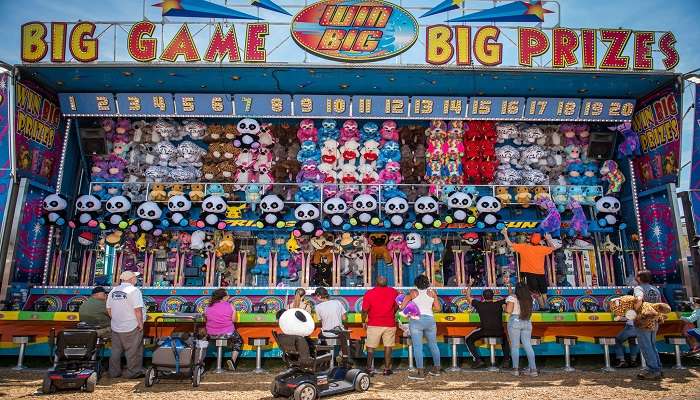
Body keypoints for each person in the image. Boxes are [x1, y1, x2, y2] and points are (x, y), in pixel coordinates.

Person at [501, 227, 555, 310]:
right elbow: (553, 248)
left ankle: (542, 307)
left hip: (530, 273)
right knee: (544, 292)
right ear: (539, 241)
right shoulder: (542, 248)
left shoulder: (524, 247)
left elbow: (510, 244)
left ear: (530, 240)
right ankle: (545, 306)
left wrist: (505, 234)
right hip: (541, 273)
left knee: (536, 292)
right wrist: (548, 239)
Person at [401, 275, 441, 380]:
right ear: (427, 283)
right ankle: (437, 370)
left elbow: (402, 306)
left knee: (418, 347)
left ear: (416, 283)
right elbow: (438, 308)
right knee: (433, 345)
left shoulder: (413, 293)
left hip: (416, 321)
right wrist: (429, 306)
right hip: (430, 320)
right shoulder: (432, 293)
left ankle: (420, 373)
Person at [106, 271, 145, 379]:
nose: (136, 279)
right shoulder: (134, 290)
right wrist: (140, 323)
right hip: (131, 325)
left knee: (115, 351)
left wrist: (116, 319)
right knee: (133, 350)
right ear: (131, 279)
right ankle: (133, 372)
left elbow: (108, 309)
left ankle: (114, 372)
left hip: (116, 325)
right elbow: (137, 310)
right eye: (135, 277)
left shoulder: (113, 291)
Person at [463, 281, 510, 368]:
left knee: (467, 339)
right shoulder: (499, 303)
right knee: (504, 338)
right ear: (493, 296)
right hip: (499, 332)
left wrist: (470, 285)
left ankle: (478, 360)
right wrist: (509, 286)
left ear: (483, 297)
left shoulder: (479, 304)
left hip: (485, 331)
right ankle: (506, 360)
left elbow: (468, 297)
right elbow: (511, 297)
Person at [361, 276, 399, 376]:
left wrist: (363, 321)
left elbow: (364, 310)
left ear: (376, 282)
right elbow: (396, 307)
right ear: (387, 282)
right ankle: (387, 369)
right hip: (389, 324)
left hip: (374, 324)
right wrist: (391, 314)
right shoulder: (394, 292)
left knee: (370, 347)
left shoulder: (369, 293)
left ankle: (369, 369)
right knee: (388, 346)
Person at [633, 270, 663, 380]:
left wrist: (635, 310)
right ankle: (658, 368)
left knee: (646, 345)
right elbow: (660, 304)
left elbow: (639, 299)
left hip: (644, 320)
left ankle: (653, 370)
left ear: (639, 278)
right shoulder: (655, 289)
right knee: (652, 345)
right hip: (654, 319)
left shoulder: (639, 288)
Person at [204, 288, 243, 371]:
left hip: (211, 335)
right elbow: (234, 320)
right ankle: (232, 361)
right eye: (228, 295)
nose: (229, 296)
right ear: (224, 297)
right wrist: (234, 311)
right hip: (227, 334)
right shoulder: (229, 305)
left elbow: (205, 319)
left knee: (202, 339)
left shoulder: (208, 306)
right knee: (238, 341)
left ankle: (202, 361)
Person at [505, 283, 537, 377]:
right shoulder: (530, 298)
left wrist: (504, 307)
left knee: (515, 346)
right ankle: (533, 369)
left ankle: (515, 370)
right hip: (527, 322)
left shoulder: (512, 298)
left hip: (515, 321)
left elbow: (509, 311)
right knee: (528, 345)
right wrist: (509, 287)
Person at [314, 287, 350, 365]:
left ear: (319, 296)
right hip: (338, 333)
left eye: (316, 296)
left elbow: (320, 322)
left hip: (326, 334)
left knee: (319, 335)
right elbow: (344, 318)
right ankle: (343, 356)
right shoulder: (337, 302)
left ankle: (324, 358)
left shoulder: (317, 307)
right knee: (345, 334)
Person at [613, 290, 639, 368]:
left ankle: (621, 361)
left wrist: (617, 318)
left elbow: (626, 317)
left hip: (631, 328)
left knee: (617, 340)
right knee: (633, 341)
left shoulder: (630, 305)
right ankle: (633, 361)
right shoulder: (642, 304)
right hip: (640, 329)